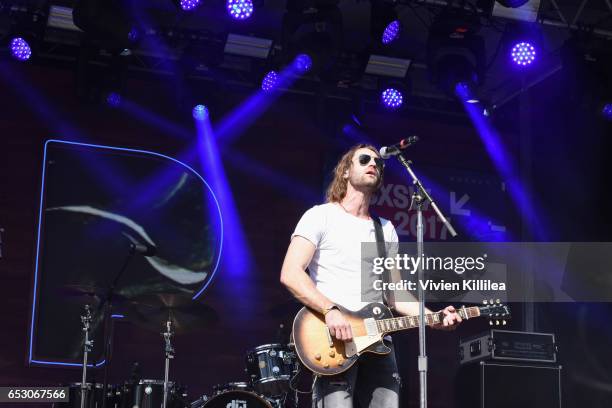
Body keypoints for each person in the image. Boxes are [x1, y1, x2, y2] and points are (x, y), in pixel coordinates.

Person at [280, 143, 462, 408]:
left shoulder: (385, 229)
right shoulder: (320, 216)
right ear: (345, 171)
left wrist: (433, 317)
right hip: (334, 340)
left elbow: (395, 295)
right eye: (364, 159)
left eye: (378, 162)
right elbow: (291, 273)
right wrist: (330, 310)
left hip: (378, 339)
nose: (373, 164)